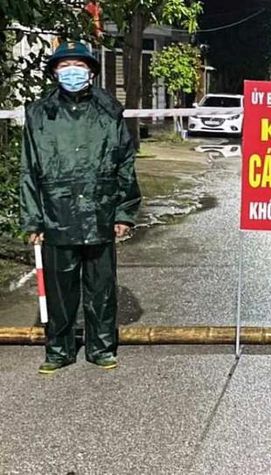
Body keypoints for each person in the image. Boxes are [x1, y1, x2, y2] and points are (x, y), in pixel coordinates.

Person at [20, 41, 141, 374]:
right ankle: (59, 349)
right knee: (60, 289)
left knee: (101, 287)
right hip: (56, 213)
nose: (72, 72)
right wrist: (33, 219)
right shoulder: (39, 114)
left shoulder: (109, 112)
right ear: (54, 73)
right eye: (64, 66)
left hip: (99, 211)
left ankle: (101, 347)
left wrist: (124, 212)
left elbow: (125, 163)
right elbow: (28, 169)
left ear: (91, 72)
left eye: (79, 65)